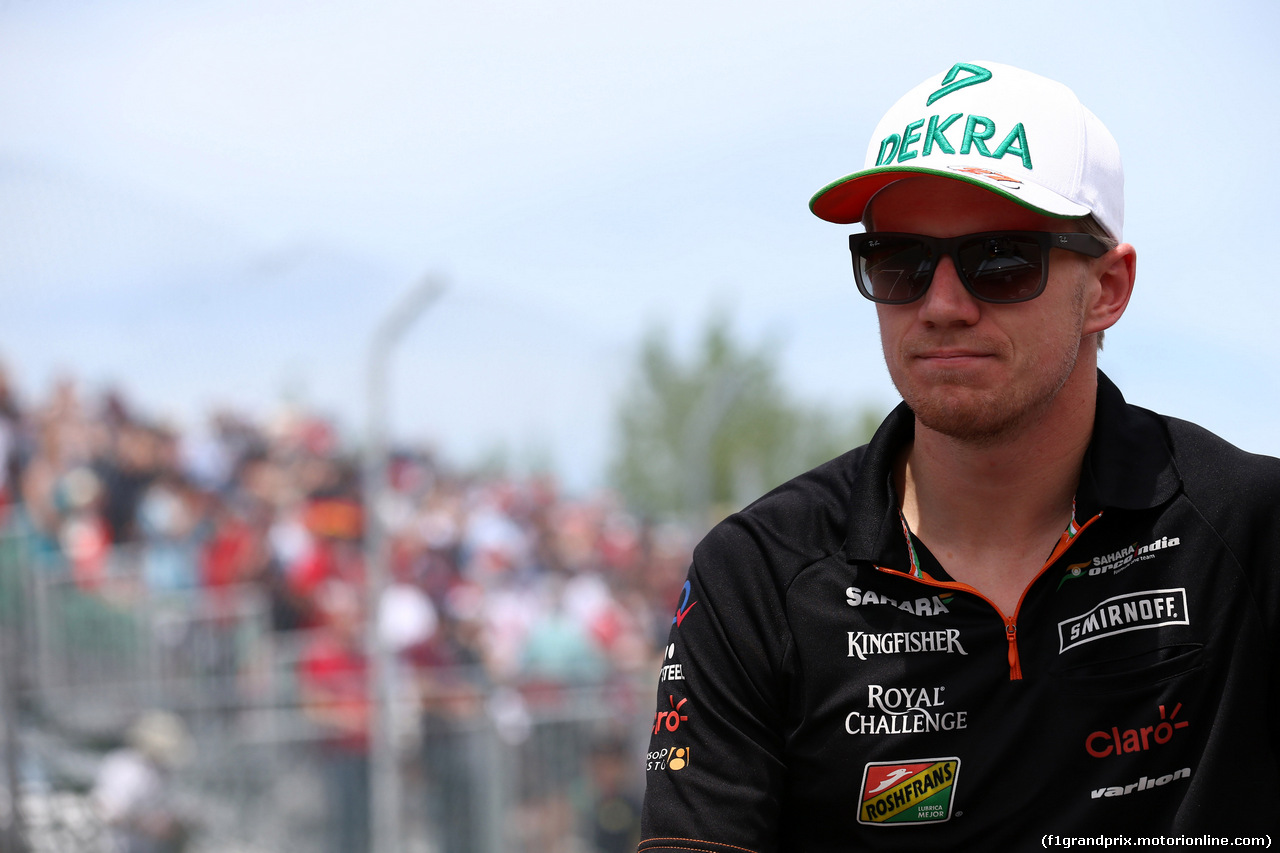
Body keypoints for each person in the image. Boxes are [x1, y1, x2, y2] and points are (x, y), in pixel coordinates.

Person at [638, 61, 1280, 850]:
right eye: (899, 262)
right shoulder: (759, 574)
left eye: (1002, 258)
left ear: (1108, 288)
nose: (942, 305)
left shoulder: (1253, 529)